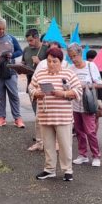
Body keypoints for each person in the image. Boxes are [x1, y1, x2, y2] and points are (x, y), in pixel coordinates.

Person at [28, 46, 82, 181]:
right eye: (49, 61)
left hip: (63, 117)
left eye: (54, 61)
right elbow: (31, 87)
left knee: (65, 145)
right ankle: (49, 169)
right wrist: (36, 93)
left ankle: (67, 170)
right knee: (48, 145)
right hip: (45, 115)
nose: (51, 64)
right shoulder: (40, 73)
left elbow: (78, 91)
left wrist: (62, 93)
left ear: (61, 62)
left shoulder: (68, 74)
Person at [0, 18, 24, 128]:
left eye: (3, 29)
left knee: (14, 95)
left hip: (11, 71)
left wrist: (12, 55)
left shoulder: (11, 38)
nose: (1, 31)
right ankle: (1, 118)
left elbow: (19, 51)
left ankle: (17, 118)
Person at [69, 43, 102, 167]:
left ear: (80, 54)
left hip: (88, 103)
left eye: (75, 56)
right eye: (70, 56)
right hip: (75, 104)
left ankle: (96, 155)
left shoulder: (90, 66)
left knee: (90, 131)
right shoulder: (71, 68)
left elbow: (99, 84)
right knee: (78, 131)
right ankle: (82, 154)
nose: (73, 59)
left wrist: (86, 85)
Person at [23, 28, 46, 152]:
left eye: (31, 40)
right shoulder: (26, 50)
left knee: (41, 114)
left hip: (43, 87)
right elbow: (23, 62)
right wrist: (20, 67)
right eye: (28, 41)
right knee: (36, 113)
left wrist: (40, 62)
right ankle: (40, 138)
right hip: (30, 85)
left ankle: (44, 139)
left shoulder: (45, 49)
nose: (29, 43)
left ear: (37, 37)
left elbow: (52, 66)